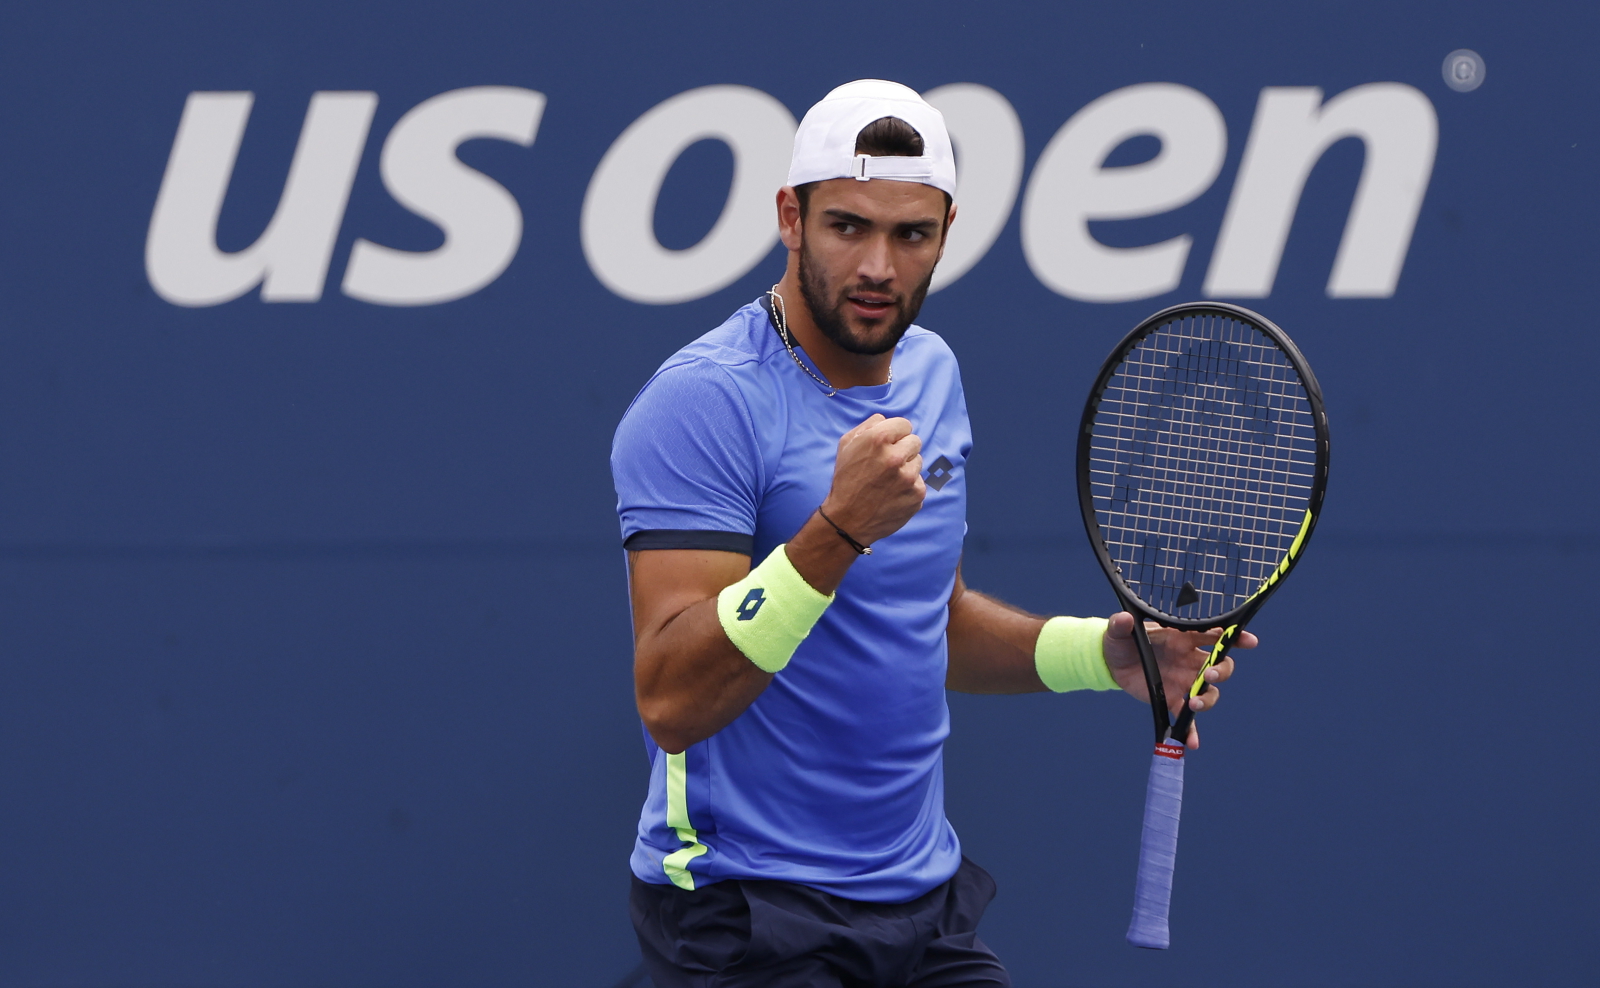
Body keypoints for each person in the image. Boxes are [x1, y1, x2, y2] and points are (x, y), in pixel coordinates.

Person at [610, 79, 1253, 988]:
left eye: (910, 234)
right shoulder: (703, 401)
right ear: (790, 218)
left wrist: (1104, 653)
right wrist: (834, 531)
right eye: (848, 227)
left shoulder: (932, 373)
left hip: (922, 906)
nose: (878, 265)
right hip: (745, 915)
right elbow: (671, 699)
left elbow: (922, 621)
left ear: (947, 232)